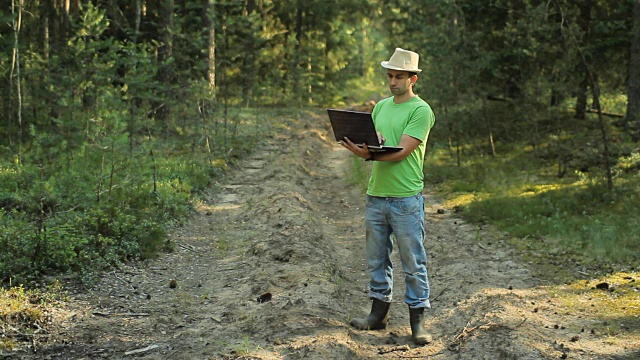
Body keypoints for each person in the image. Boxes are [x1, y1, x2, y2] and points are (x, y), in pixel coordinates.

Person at [340, 47, 435, 345]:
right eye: (390, 76)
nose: (392, 81)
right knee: (376, 259)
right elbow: (381, 142)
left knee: (412, 261)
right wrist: (366, 144)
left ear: (413, 79)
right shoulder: (380, 107)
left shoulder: (421, 111)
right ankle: (378, 315)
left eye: (399, 76)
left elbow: (402, 151)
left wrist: (368, 155)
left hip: (406, 197)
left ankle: (418, 322)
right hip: (376, 194)